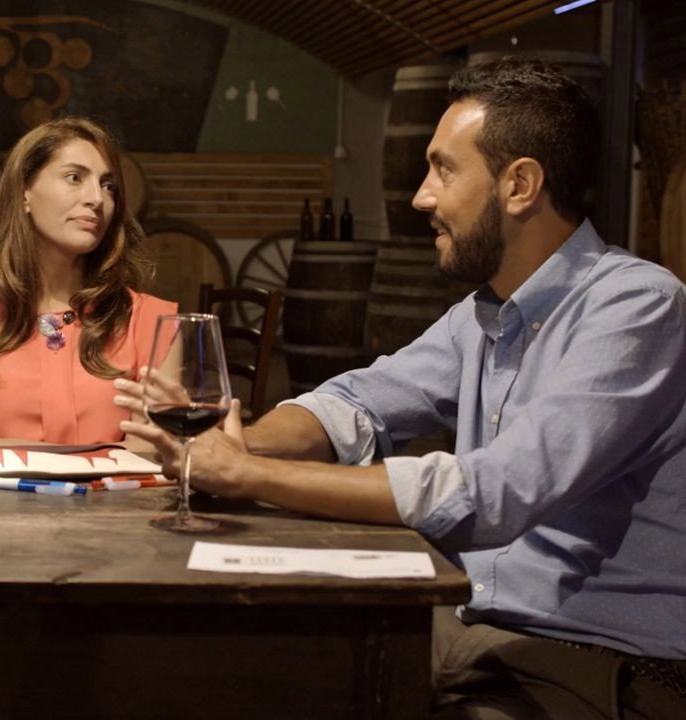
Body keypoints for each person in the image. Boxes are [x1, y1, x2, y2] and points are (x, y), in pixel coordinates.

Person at [121, 57, 686, 719]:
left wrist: (250, 473)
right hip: (471, 628)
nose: (421, 197)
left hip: (595, 664)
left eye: (443, 169)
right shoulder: (482, 316)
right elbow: (356, 401)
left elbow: (495, 492)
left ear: (520, 185)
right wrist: (236, 441)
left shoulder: (638, 308)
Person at [0, 117, 174, 448]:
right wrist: (99, 455)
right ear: (24, 193)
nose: (97, 198)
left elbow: (147, 454)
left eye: (108, 186)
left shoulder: (152, 323)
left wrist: (1, 446)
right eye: (75, 178)